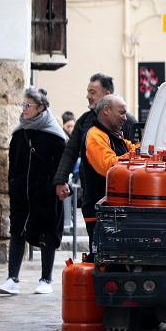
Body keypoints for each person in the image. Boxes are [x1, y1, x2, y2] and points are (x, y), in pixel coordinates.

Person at [0, 88, 66, 295]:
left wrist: (56, 184)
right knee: (17, 232)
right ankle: (12, 279)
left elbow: (62, 164)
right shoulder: (20, 132)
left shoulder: (54, 134)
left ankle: (46, 279)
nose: (24, 109)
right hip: (22, 193)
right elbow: (14, 162)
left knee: (47, 233)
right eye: (23, 105)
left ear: (41, 107)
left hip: (46, 193)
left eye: (28, 105)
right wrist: (14, 184)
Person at [53, 73, 137, 202]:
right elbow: (71, 151)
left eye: (92, 92)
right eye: (88, 92)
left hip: (123, 193)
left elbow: (136, 153)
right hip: (91, 192)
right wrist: (61, 180)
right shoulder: (84, 121)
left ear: (107, 95)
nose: (88, 96)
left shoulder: (128, 121)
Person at [82, 95, 136, 253]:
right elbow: (108, 166)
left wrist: (141, 150)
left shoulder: (115, 137)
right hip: (99, 212)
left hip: (113, 210)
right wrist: (134, 156)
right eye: (121, 113)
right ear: (106, 110)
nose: (125, 118)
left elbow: (133, 148)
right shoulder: (95, 136)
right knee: (103, 260)